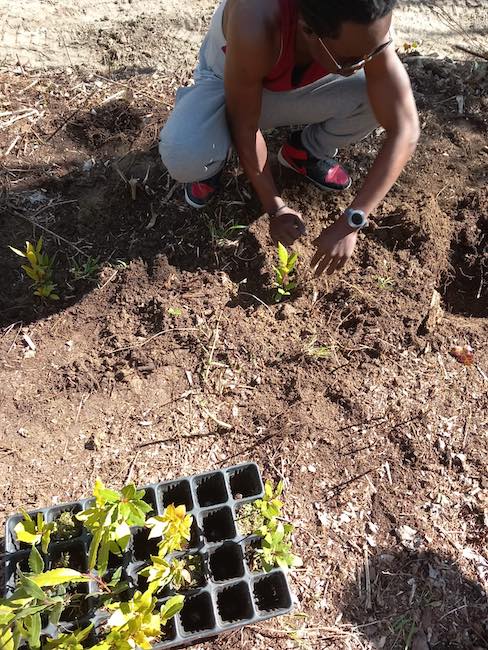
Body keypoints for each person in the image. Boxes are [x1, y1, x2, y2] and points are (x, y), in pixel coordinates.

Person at [159, 0, 420, 276]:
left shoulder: (361, 19)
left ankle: (303, 152)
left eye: (372, 53)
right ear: (308, 30)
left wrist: (352, 220)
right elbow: (245, 125)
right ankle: (212, 155)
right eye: (350, 60)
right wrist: (275, 207)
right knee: (186, 154)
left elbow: (406, 128)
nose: (363, 64)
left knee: (375, 97)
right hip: (228, 81)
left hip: (292, 81)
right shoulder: (255, 20)